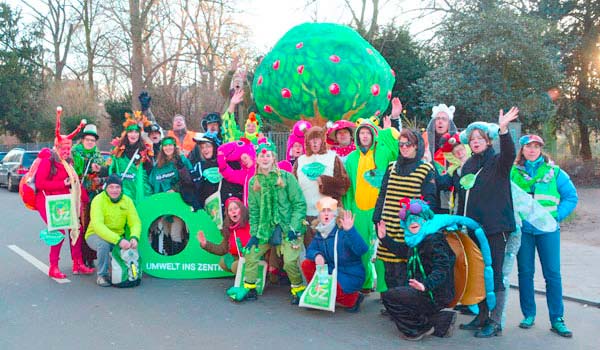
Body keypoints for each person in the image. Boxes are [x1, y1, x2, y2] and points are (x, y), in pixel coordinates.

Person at [456, 107, 520, 337]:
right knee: (478, 273)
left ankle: (495, 321)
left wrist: (503, 129)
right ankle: (482, 315)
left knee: (495, 275)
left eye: (479, 138)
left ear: (488, 141)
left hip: (495, 229)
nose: (475, 142)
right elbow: (462, 195)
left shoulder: (497, 161)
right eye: (472, 139)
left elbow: (510, 154)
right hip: (473, 229)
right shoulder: (469, 165)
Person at [510, 134, 578, 338]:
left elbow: (571, 197)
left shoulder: (555, 172)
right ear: (521, 150)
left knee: (552, 275)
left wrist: (556, 215)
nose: (532, 150)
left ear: (541, 149)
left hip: (548, 231)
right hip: (524, 231)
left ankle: (557, 318)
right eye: (528, 146)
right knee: (525, 273)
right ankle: (528, 314)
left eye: (536, 146)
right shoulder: (512, 172)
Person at [226, 139, 307, 303]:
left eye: (268, 155)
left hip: (288, 228)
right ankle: (250, 288)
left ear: (274, 158)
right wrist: (254, 235)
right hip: (265, 229)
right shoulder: (253, 182)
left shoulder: (286, 178)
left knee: (290, 261)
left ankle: (298, 289)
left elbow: (299, 204)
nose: (265, 159)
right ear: (257, 159)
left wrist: (294, 227)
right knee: (251, 254)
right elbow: (254, 211)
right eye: (261, 156)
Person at [380, 199, 457, 341]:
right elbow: (403, 251)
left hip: (434, 293)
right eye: (409, 220)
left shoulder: (434, 240)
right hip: (425, 290)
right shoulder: (416, 240)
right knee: (401, 295)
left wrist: (426, 285)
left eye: (417, 219)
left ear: (424, 220)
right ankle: (442, 320)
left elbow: (442, 268)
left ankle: (418, 329)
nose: (413, 222)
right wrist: (384, 238)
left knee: (389, 296)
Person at [373, 129, 436, 293]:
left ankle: (404, 307)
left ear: (416, 146)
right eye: (401, 144)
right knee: (389, 271)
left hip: (408, 228)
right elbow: (383, 193)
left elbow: (430, 201)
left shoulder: (425, 169)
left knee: (404, 271)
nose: (404, 147)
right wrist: (377, 217)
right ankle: (393, 304)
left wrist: (420, 225)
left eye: (408, 144)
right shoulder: (391, 167)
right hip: (388, 225)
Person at [342, 117, 399, 292]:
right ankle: (366, 283)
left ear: (373, 135)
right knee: (361, 249)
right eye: (362, 133)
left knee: (381, 250)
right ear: (357, 137)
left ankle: (383, 288)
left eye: (368, 133)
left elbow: (396, 145)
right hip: (358, 210)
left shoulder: (383, 152)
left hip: (380, 210)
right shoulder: (351, 158)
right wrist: (347, 209)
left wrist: (391, 124)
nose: (364, 136)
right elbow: (348, 186)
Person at [35, 109, 92, 279]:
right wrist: (62, 183)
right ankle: (53, 266)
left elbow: (74, 182)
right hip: (49, 202)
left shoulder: (69, 163)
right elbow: (40, 184)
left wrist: (85, 199)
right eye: (63, 147)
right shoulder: (48, 161)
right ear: (57, 147)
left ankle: (78, 263)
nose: (66, 150)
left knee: (76, 229)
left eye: (68, 148)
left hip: (66, 201)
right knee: (59, 232)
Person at [302, 197, 368, 312]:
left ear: (335, 214)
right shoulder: (320, 232)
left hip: (350, 273)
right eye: (323, 211)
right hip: (332, 270)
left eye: (329, 210)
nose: (326, 214)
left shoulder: (343, 231)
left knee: (334, 288)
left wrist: (350, 231)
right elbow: (310, 251)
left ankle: (354, 298)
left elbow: (362, 250)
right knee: (307, 264)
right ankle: (320, 296)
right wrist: (317, 255)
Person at [293, 126, 350, 247]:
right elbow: (293, 190)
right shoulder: (300, 161)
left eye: (317, 139)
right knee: (311, 254)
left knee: (329, 252)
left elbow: (344, 185)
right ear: (307, 141)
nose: (314, 143)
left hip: (328, 215)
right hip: (306, 215)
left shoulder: (332, 158)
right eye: (311, 140)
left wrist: (325, 182)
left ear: (322, 140)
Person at [85, 174, 141, 287]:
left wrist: (134, 237)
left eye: (117, 187)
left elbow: (135, 222)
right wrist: (119, 240)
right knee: (104, 243)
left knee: (131, 247)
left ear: (121, 188)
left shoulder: (127, 201)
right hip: (95, 235)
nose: (114, 190)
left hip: (118, 236)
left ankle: (129, 273)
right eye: (111, 187)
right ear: (106, 187)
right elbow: (98, 226)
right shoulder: (98, 200)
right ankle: (102, 275)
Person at [148, 136, 193, 255]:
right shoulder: (158, 166)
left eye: (170, 145)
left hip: (178, 205)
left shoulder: (181, 160)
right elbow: (152, 183)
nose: (168, 148)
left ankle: (178, 264)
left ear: (174, 146)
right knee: (166, 232)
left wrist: (175, 189)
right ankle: (169, 262)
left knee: (175, 233)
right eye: (165, 145)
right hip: (163, 207)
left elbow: (189, 179)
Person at [72, 124, 107, 268]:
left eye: (93, 140)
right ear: (82, 140)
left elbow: (104, 171)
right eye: (88, 139)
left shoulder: (97, 155)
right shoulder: (74, 153)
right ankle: (78, 258)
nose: (90, 142)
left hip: (93, 195)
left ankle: (90, 257)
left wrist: (99, 172)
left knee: (91, 225)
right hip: (77, 195)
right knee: (78, 226)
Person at [196, 197, 251, 274]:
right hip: (239, 258)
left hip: (252, 258)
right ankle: (243, 278)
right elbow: (222, 249)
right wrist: (205, 244)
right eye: (230, 210)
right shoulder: (230, 229)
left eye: (236, 208)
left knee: (235, 266)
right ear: (228, 214)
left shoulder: (251, 224)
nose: (233, 212)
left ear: (242, 210)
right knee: (224, 262)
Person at [108, 112, 153, 205]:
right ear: (126, 134)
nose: (133, 134)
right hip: (122, 193)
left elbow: (150, 173)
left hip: (139, 192)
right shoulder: (118, 151)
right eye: (131, 132)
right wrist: (99, 169)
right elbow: (111, 169)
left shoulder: (145, 151)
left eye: (136, 132)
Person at [422, 104, 459, 214]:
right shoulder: (424, 139)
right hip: (428, 188)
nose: (440, 121)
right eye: (437, 118)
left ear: (449, 123)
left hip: (449, 189)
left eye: (444, 119)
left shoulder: (456, 142)